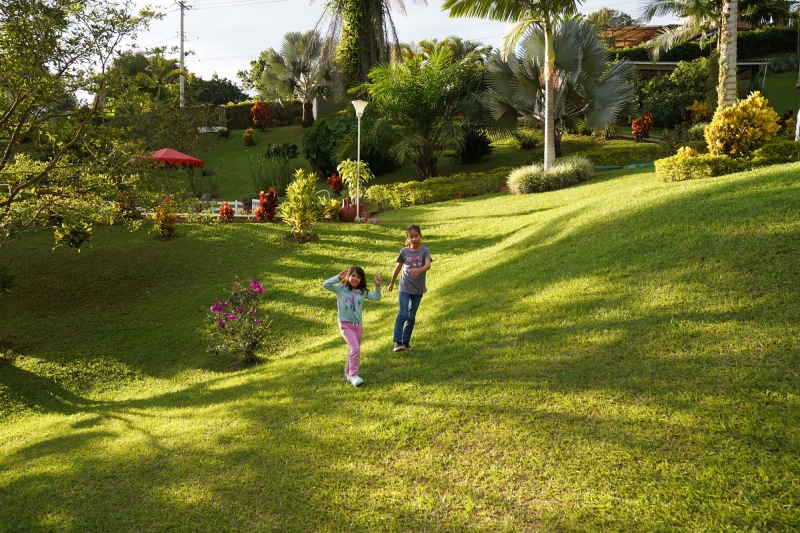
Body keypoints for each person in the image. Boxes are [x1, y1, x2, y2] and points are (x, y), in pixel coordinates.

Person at [323, 266, 381, 387]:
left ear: (361, 280)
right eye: (353, 275)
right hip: (345, 324)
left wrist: (377, 286)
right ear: (348, 276)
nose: (355, 279)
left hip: (358, 326)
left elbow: (376, 297)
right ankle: (354, 375)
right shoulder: (341, 289)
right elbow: (326, 284)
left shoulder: (362, 292)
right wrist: (338, 277)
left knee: (353, 349)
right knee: (355, 348)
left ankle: (347, 372)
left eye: (358, 277)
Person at [387, 224, 432, 352]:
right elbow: (397, 268)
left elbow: (428, 265)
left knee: (411, 316)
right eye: (411, 237)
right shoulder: (404, 252)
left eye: (416, 236)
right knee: (403, 313)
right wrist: (391, 282)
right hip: (405, 287)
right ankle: (397, 342)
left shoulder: (425, 251)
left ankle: (405, 342)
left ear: (420, 236)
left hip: (418, 289)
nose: (414, 239)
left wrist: (419, 270)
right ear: (408, 238)